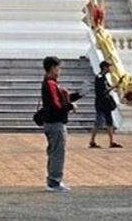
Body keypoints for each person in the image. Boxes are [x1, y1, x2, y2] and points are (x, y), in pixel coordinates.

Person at [41, 56, 82, 192]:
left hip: (52, 121)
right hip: (55, 122)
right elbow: (56, 105)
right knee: (58, 152)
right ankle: (54, 180)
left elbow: (61, 99)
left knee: (54, 152)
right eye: (58, 68)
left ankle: (53, 179)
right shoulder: (50, 84)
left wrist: (78, 95)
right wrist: (71, 106)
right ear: (52, 68)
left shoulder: (51, 83)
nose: (60, 70)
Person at [89, 61, 123, 149]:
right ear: (104, 67)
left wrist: (115, 86)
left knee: (109, 121)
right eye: (108, 67)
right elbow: (103, 91)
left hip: (106, 102)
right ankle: (92, 140)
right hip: (101, 102)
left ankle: (111, 141)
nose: (109, 69)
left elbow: (107, 88)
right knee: (99, 122)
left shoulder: (103, 77)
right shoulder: (99, 77)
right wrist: (114, 86)